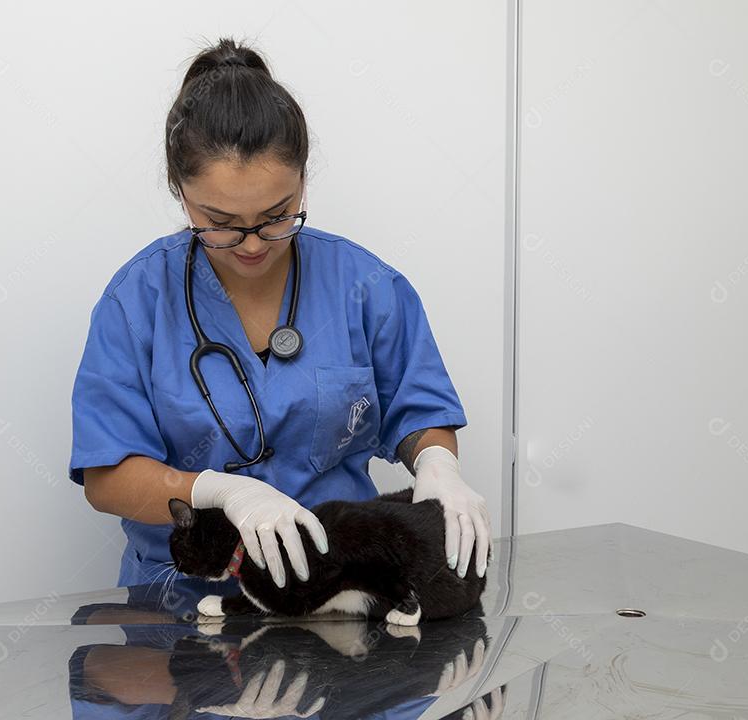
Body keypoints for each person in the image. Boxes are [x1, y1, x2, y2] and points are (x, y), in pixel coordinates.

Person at [69, 37, 491, 590]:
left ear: (303, 181)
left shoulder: (365, 287)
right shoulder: (137, 301)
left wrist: (438, 465)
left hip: (340, 586)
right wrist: (222, 492)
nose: (251, 244)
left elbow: (417, 411)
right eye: (220, 221)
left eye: (277, 215)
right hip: (185, 600)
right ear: (179, 191)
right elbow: (108, 475)